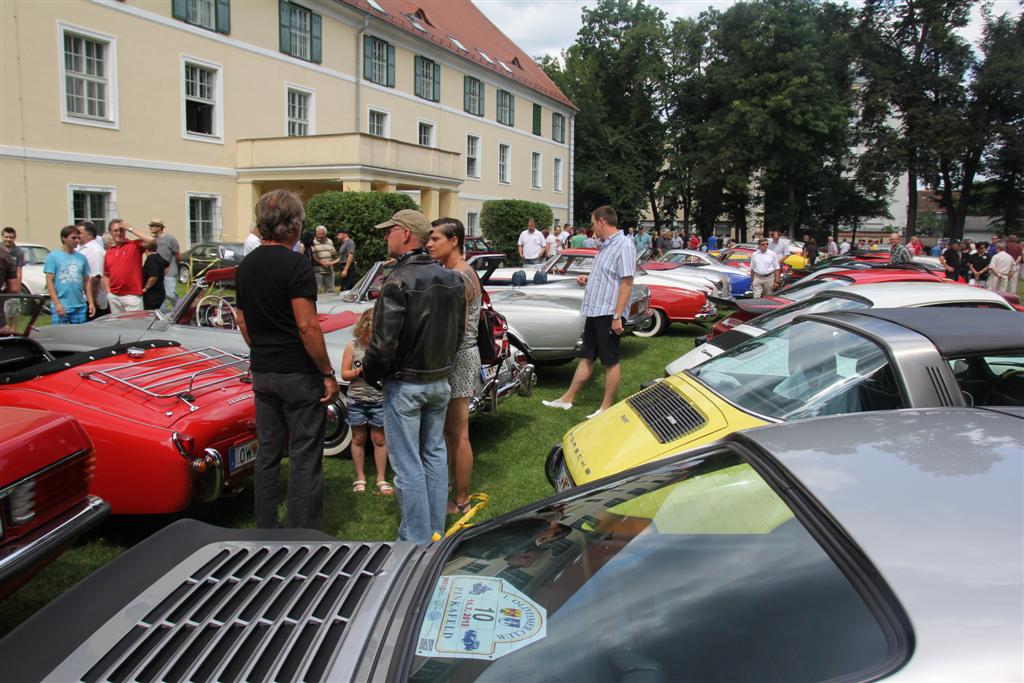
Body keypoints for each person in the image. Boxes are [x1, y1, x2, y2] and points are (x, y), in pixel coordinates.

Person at [235, 189, 339, 530]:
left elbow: (242, 319)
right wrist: (327, 372)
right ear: (293, 225)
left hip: (263, 369)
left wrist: (260, 348)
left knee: (267, 453)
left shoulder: (246, 264)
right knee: (305, 454)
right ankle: (302, 533)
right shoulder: (296, 264)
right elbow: (307, 325)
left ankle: (266, 528)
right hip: (296, 371)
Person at [363, 209, 465, 544]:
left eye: (389, 231)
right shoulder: (452, 277)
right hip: (438, 380)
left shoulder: (398, 279)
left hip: (407, 383)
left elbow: (382, 344)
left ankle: (416, 542)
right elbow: (459, 333)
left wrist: (372, 374)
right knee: (434, 456)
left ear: (405, 234)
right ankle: (434, 534)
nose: (385, 237)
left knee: (408, 466)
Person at [543, 206, 635, 419]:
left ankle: (606, 407)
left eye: (593, 223)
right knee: (586, 357)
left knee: (610, 360)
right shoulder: (605, 245)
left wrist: (617, 316)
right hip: (595, 311)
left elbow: (627, 282)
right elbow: (608, 276)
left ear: (602, 221)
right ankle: (567, 399)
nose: (592, 227)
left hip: (608, 312)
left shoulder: (624, 245)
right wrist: (589, 279)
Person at [427, 217, 482, 517]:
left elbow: (456, 327)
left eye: (436, 239)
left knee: (458, 433)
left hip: (459, 357)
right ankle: (450, 490)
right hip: (461, 355)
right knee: (451, 433)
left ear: (454, 241)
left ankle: (462, 499)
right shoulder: (457, 271)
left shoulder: (460, 276)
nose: (430, 244)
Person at [340, 309, 392, 496]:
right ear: (363, 329)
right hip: (357, 399)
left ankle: (381, 478)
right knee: (358, 438)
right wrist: (358, 372)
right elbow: (344, 374)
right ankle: (360, 476)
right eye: (372, 334)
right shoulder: (352, 347)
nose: (374, 338)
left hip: (378, 399)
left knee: (379, 439)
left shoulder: (382, 349)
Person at [43, 225, 94, 325]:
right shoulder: (53, 257)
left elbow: (86, 281)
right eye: (73, 238)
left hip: (79, 305)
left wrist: (91, 302)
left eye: (78, 238)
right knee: (60, 336)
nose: (76, 241)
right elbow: (49, 281)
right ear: (64, 238)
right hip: (62, 305)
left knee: (79, 336)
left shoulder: (81, 258)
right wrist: (57, 304)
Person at [103, 219, 155, 313]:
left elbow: (151, 241)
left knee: (134, 325)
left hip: (132, 296)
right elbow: (106, 274)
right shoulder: (109, 252)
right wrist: (108, 292)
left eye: (122, 230)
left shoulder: (134, 245)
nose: (119, 233)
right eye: (116, 230)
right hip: (114, 297)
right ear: (111, 233)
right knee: (118, 326)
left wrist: (130, 228)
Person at [147, 219, 181, 311]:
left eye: (152, 225)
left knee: (170, 294)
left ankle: (182, 310)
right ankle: (164, 315)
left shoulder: (170, 238)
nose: (150, 227)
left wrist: (174, 267)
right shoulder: (153, 240)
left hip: (170, 271)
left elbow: (177, 254)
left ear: (159, 227)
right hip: (158, 272)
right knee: (160, 296)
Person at [76, 221, 108, 318]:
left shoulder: (94, 251)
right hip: (84, 298)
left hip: (94, 301)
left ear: (90, 234)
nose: (77, 236)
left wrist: (92, 301)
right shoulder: (81, 248)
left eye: (80, 233)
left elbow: (96, 278)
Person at [310, 225, 338, 294]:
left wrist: (334, 253)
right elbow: (313, 256)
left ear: (325, 233)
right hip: (318, 271)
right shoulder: (312, 242)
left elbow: (334, 254)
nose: (319, 236)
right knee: (317, 292)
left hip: (329, 271)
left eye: (321, 234)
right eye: (318, 234)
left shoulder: (330, 241)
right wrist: (321, 262)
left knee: (330, 292)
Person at [141, 241, 168, 310]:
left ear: (146, 249)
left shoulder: (151, 259)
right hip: (160, 291)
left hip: (152, 294)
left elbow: (153, 276)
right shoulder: (158, 257)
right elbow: (167, 265)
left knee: (150, 313)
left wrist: (145, 289)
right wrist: (162, 274)